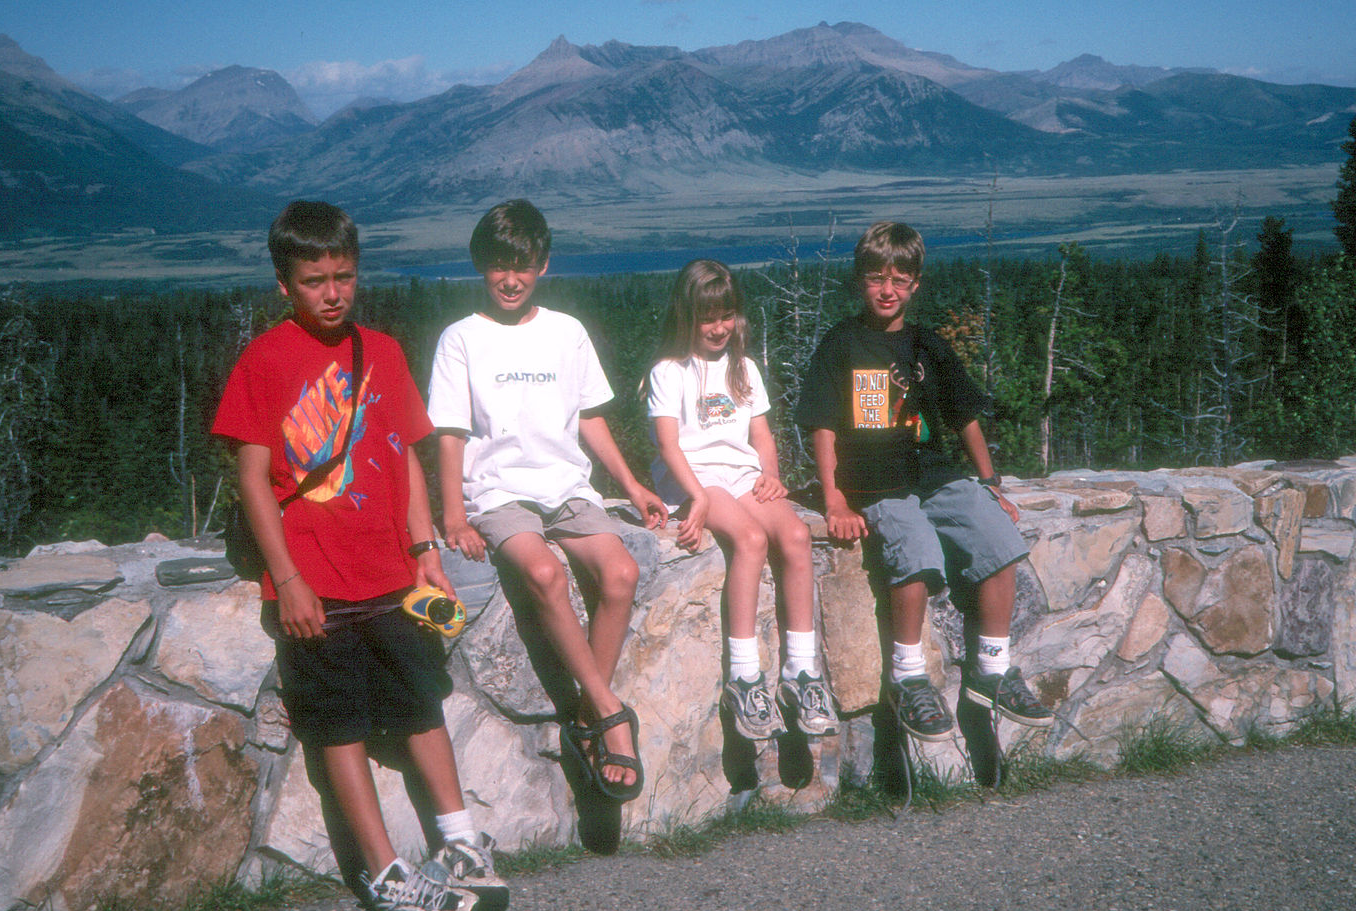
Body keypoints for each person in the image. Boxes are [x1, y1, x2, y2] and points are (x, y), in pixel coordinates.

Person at [212, 200, 505, 911]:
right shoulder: (266, 359)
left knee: (420, 699)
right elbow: (252, 478)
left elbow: (406, 451)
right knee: (337, 722)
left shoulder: (381, 349)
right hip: (314, 577)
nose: (334, 292)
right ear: (285, 284)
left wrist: (424, 550)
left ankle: (460, 838)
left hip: (389, 571)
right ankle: (382, 871)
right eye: (315, 281)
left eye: (344, 275)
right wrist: (287, 580)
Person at [427, 199, 667, 806]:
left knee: (621, 572)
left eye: (523, 266)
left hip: (567, 487)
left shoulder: (567, 332)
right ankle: (611, 715)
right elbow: (450, 432)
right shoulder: (463, 339)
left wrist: (633, 484)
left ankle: (587, 715)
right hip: (499, 492)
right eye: (499, 267)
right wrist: (453, 511)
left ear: (543, 265)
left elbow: (590, 419)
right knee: (540, 570)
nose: (511, 279)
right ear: (481, 267)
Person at [795, 221, 1053, 745]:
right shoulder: (841, 345)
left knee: (999, 541)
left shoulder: (927, 346)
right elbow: (821, 424)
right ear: (859, 281)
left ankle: (993, 669)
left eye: (899, 279)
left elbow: (964, 415)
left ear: (915, 284)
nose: (887, 290)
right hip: (872, 484)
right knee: (914, 547)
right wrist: (833, 497)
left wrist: (989, 481)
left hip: (934, 474)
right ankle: (908, 675)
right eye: (875, 278)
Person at [645, 260, 835, 740]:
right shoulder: (669, 371)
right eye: (707, 317)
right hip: (692, 477)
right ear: (686, 315)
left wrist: (771, 476)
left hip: (740, 472)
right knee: (749, 539)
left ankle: (800, 670)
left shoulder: (744, 368)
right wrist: (696, 498)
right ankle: (744, 675)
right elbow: (669, 445)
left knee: (793, 534)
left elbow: (761, 434)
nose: (717, 328)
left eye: (726, 316)